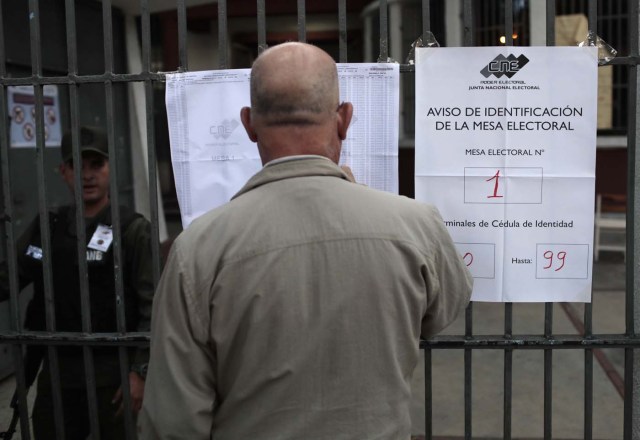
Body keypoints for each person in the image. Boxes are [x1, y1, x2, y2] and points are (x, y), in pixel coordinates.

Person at [139, 42, 472, 439]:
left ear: (248, 123)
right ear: (344, 118)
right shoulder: (414, 224)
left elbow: (173, 420)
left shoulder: (198, 249)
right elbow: (442, 311)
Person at [0, 126, 154, 439]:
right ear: (63, 172)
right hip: (59, 371)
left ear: (110, 169)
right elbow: (10, 278)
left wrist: (140, 372)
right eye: (77, 167)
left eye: (96, 165)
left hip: (115, 374)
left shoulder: (132, 230)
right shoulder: (49, 227)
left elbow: (152, 306)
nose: (88, 176)